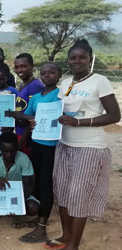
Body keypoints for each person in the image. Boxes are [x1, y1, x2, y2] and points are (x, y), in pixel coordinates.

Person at [45, 39, 120, 250]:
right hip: (64, 144)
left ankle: (73, 245)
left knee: (78, 196)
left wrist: (79, 122)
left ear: (89, 59)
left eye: (82, 57)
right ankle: (65, 236)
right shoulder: (65, 83)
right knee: (62, 193)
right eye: (73, 58)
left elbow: (114, 115)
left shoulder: (99, 81)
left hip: (89, 147)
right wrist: (42, 120)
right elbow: (57, 111)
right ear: (68, 60)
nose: (77, 61)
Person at [6, 62, 62, 244]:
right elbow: (27, 115)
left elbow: (65, 116)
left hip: (52, 146)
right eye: (44, 73)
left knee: (46, 183)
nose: (47, 76)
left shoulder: (61, 96)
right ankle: (36, 214)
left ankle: (42, 227)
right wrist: (12, 113)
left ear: (58, 75)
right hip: (36, 143)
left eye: (51, 73)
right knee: (36, 179)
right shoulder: (37, 97)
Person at [11, 53, 44, 154]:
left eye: (23, 66)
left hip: (27, 135)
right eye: (16, 67)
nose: (19, 70)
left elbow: (35, 115)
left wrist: (22, 140)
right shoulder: (22, 84)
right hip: (20, 132)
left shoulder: (35, 85)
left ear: (32, 66)